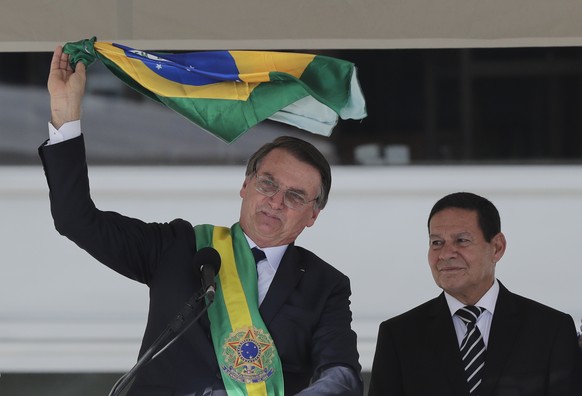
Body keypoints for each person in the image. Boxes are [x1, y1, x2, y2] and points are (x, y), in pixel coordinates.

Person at [40, 45, 362, 396]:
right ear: (246, 184)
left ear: (313, 213)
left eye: (295, 196)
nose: (276, 201)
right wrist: (65, 111)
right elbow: (75, 219)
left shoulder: (325, 285)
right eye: (268, 183)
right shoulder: (179, 247)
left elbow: (341, 376)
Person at [368, 192, 582, 396]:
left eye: (461, 241)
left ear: (497, 247)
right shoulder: (399, 335)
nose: (445, 254)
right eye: (437, 242)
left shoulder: (551, 329)